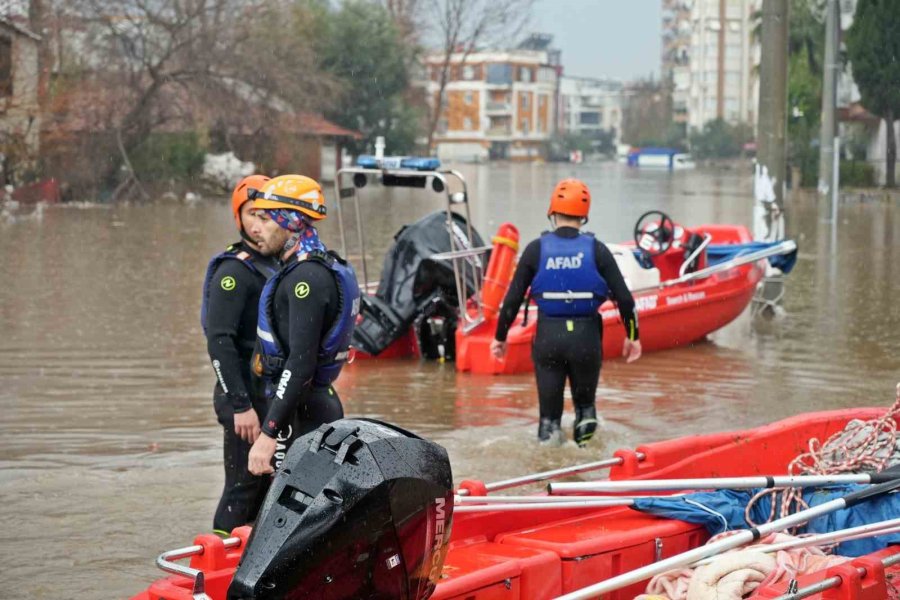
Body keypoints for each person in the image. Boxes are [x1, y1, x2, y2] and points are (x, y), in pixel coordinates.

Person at [490, 178, 642, 447]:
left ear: (552, 211)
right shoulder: (597, 250)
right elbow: (626, 300)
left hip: (549, 338)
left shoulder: (536, 250)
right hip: (586, 339)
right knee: (585, 410)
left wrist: (500, 338)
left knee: (548, 418)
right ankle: (586, 465)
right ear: (585, 216)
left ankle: (547, 471)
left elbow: (512, 300)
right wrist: (633, 336)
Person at [246, 174, 360, 476]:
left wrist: (270, 433)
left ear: (291, 222)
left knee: (294, 513)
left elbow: (300, 362)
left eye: (266, 219)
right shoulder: (305, 268)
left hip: (304, 415)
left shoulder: (306, 278)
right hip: (306, 408)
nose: (258, 228)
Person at [201, 174, 279, 536]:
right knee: (242, 486)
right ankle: (214, 560)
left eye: (267, 214)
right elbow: (219, 340)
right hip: (242, 396)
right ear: (239, 218)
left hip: (269, 391)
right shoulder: (234, 270)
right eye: (252, 214)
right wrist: (240, 405)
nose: (260, 223)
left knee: (269, 486)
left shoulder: (279, 264)